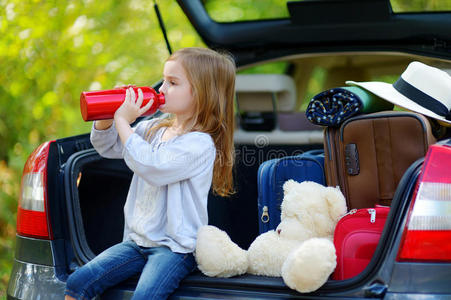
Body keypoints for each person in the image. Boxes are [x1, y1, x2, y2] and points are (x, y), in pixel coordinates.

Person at [64, 47, 236, 300]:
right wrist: (109, 116)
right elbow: (109, 146)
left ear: (201, 92)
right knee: (78, 282)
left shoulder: (199, 144)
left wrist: (124, 122)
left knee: (145, 296)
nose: (162, 89)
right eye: (163, 80)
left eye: (173, 83)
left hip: (176, 248)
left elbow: (152, 166)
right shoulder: (153, 128)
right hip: (137, 243)